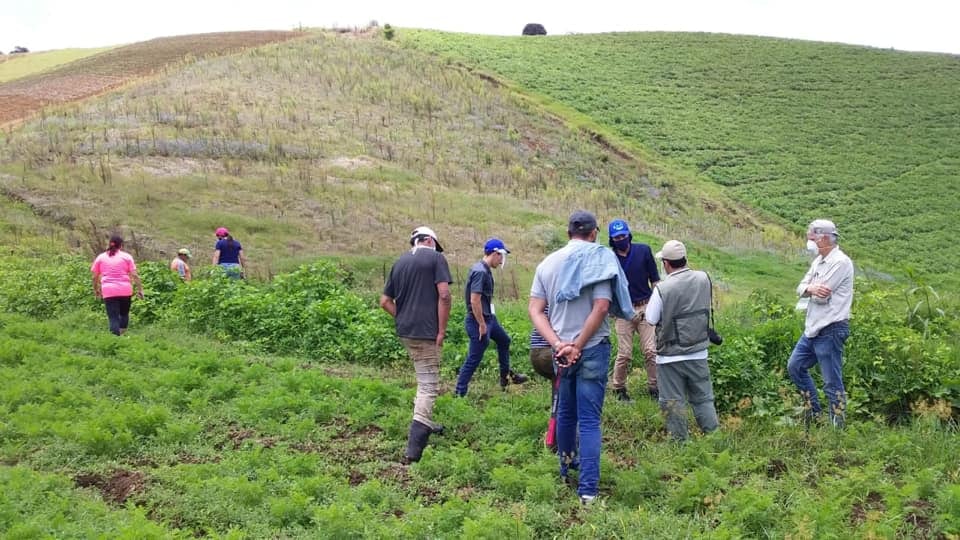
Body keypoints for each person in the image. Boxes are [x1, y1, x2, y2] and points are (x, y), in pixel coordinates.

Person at [528, 210, 634, 506]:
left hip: (560, 350)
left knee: (565, 414)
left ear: (568, 233)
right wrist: (577, 345)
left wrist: (559, 344)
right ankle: (587, 491)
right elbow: (601, 307)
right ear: (594, 233)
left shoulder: (547, 263)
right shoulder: (599, 258)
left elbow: (536, 310)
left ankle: (566, 469)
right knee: (588, 421)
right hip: (591, 347)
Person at [380, 226, 453, 463]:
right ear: (430, 241)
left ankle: (426, 423)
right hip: (426, 332)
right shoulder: (436, 258)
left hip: (406, 332)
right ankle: (413, 450)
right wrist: (441, 329)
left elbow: (384, 301)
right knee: (428, 386)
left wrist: (402, 317)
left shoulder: (400, 262)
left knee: (422, 378)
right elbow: (444, 295)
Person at [645, 240, 720, 441]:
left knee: (672, 402)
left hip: (669, 357)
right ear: (685, 259)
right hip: (699, 351)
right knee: (703, 399)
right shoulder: (704, 278)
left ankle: (680, 444)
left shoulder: (663, 288)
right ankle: (713, 438)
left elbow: (651, 319)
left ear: (666, 263)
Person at [787, 219, 854, 428]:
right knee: (795, 366)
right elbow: (801, 288)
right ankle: (813, 412)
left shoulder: (840, 262)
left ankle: (838, 427)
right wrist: (810, 289)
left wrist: (811, 289)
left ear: (823, 237)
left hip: (831, 327)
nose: (809, 240)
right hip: (813, 328)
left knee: (831, 381)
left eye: (811, 236)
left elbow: (821, 296)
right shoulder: (818, 261)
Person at [455, 238, 528, 396]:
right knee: (474, 358)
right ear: (495, 254)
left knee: (504, 340)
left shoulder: (483, 269)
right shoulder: (480, 272)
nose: (502, 260)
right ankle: (459, 392)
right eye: (501, 256)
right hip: (478, 320)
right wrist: (481, 324)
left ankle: (505, 377)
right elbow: (474, 300)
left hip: (489, 318)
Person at [607, 218, 661, 401]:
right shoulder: (609, 257)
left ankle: (655, 387)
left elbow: (655, 279)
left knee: (651, 350)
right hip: (623, 310)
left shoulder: (643, 251)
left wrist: (656, 304)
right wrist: (611, 310)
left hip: (645, 306)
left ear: (629, 234)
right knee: (624, 353)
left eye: (623, 235)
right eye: (616, 237)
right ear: (611, 240)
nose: (620, 239)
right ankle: (618, 388)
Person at [90, 235, 144, 336]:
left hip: (108, 290)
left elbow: (94, 277)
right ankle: (122, 335)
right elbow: (135, 275)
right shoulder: (127, 257)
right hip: (125, 290)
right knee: (124, 314)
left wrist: (96, 289)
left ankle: (115, 340)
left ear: (109, 244)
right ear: (121, 246)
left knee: (113, 317)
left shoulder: (101, 257)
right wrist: (140, 290)